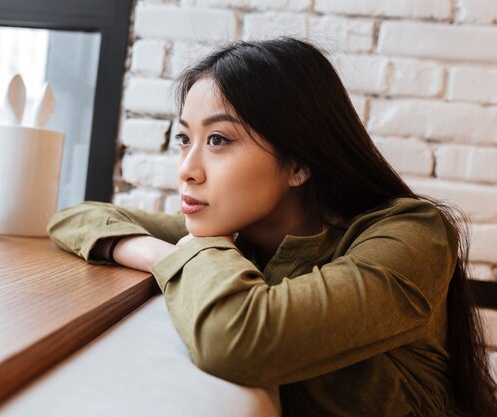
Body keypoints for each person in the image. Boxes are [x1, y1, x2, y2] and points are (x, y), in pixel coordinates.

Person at [47, 37, 497, 416]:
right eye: (184, 138)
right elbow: (75, 217)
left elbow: (237, 340)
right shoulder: (242, 237)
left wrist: (190, 252)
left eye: (218, 140)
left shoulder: (414, 233)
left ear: (299, 163)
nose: (186, 168)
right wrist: (163, 254)